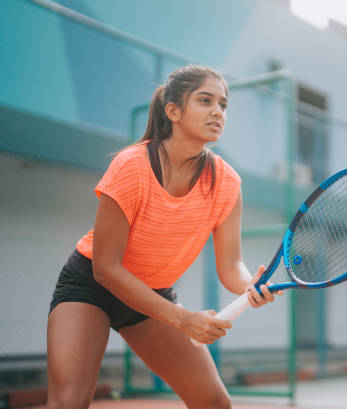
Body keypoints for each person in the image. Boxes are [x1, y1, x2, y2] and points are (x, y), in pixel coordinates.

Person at [46, 65, 279, 409]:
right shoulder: (131, 166)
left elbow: (231, 264)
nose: (218, 111)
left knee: (214, 402)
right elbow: (106, 269)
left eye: (223, 104)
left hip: (152, 297)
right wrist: (184, 319)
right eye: (205, 100)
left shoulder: (227, 182)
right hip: (89, 288)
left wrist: (250, 285)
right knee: (69, 402)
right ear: (173, 111)